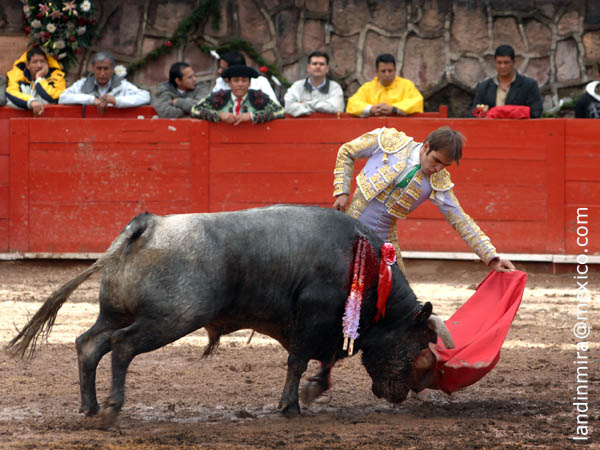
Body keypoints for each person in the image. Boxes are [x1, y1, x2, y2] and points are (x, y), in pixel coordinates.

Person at [332, 126, 515, 274]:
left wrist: (492, 257)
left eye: (445, 165)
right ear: (426, 146)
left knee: (399, 296)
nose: (438, 168)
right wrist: (342, 191)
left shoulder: (439, 181)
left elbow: (460, 220)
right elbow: (346, 151)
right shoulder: (390, 140)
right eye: (436, 160)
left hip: (384, 240)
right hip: (349, 226)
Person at [191, 64, 285, 125]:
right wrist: (219, 115)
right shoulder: (219, 97)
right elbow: (195, 110)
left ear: (249, 83)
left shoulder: (258, 97)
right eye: (236, 81)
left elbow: (280, 111)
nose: (240, 84)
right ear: (229, 83)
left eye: (244, 81)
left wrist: (252, 116)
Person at [59, 52, 150, 114]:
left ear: (112, 69)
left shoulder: (122, 85)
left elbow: (145, 96)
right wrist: (92, 100)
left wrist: (116, 101)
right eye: (99, 68)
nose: (102, 73)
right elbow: (63, 97)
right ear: (93, 69)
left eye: (106, 69)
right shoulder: (82, 84)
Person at [470, 45, 543, 118]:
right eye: (499, 63)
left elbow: (536, 113)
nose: (502, 66)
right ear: (495, 63)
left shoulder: (529, 86)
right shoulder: (484, 87)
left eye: (506, 62)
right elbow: (475, 113)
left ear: (514, 62)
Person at [346, 53, 423, 117]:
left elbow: (417, 101)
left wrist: (394, 109)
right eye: (383, 71)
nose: (387, 74)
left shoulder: (407, 85)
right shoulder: (367, 88)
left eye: (390, 71)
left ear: (395, 70)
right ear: (377, 72)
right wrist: (370, 109)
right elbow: (352, 103)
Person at [6, 48, 66, 116]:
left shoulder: (57, 77)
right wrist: (31, 102)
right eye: (35, 62)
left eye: (42, 61)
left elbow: (54, 97)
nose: (39, 65)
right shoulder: (16, 75)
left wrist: (39, 78)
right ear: (27, 65)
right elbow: (12, 92)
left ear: (47, 64)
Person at [284, 51, 345, 117]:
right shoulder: (297, 86)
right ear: (308, 68)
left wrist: (306, 104)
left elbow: (336, 108)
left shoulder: (335, 87)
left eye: (321, 64)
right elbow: (288, 106)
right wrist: (321, 108)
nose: (318, 66)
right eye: (314, 64)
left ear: (327, 68)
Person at [213, 51, 280, 105]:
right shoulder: (220, 82)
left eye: (224, 69)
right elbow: (210, 106)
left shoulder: (260, 82)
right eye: (220, 67)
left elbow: (276, 108)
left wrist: (252, 115)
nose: (219, 71)